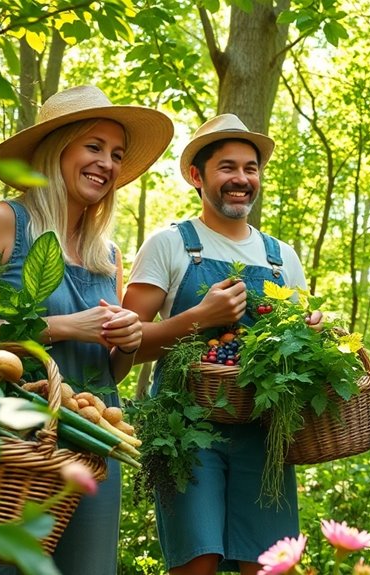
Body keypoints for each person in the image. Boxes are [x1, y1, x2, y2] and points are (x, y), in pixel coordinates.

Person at [0, 85, 173, 574]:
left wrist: (126, 340)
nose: (107, 163)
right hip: (3, 442)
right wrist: (62, 326)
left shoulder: (110, 258)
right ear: (56, 149)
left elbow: (108, 374)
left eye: (117, 155)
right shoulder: (3, 222)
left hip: (91, 447)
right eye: (94, 147)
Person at [123, 113, 320, 575]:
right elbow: (125, 345)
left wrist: (311, 332)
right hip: (185, 432)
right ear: (198, 176)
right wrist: (197, 319)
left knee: (268, 564)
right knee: (198, 561)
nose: (241, 179)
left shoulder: (281, 258)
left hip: (264, 432)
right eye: (227, 167)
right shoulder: (169, 245)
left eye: (250, 168)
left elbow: (295, 348)